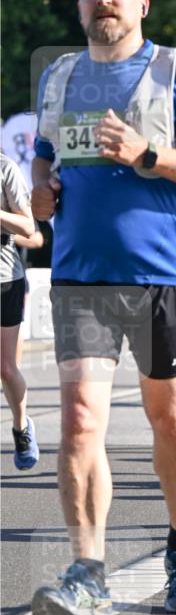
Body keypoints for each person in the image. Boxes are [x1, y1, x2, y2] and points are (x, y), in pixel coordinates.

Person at [29, 0, 176, 615]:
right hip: (81, 278)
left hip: (161, 277)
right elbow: (45, 156)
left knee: (170, 423)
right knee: (82, 422)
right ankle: (88, 574)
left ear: (141, 4)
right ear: (79, 4)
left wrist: (148, 156)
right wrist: (40, 190)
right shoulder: (59, 76)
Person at [1, 153, 40, 470]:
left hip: (4, 280)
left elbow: (28, 226)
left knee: (5, 367)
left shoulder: (6, 169)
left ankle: (22, 426)